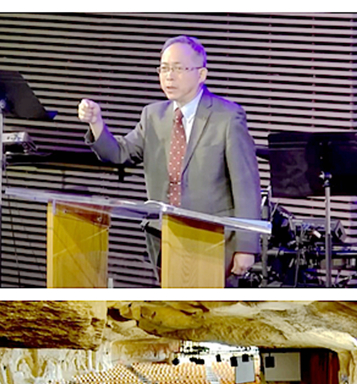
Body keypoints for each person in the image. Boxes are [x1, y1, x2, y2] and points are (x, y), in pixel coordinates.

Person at [78, 35, 261, 282]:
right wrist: (96, 123)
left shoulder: (227, 117)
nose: (169, 76)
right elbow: (120, 153)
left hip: (213, 242)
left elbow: (246, 185)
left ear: (201, 74)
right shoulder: (153, 116)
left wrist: (246, 246)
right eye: (164, 68)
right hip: (164, 239)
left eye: (178, 68)